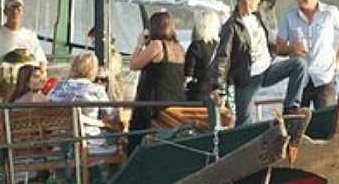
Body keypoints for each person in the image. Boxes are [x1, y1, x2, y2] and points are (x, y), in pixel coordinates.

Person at [208, 0, 308, 126]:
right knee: (244, 122)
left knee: (299, 64)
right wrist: (217, 87)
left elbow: (271, 0)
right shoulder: (231, 26)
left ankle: (290, 109)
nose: (259, 2)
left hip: (267, 70)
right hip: (247, 77)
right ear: (248, 1)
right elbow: (222, 57)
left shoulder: (258, 15)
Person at [276, 0, 339, 110]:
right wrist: (292, 48)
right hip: (300, 80)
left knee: (326, 122)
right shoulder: (289, 17)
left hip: (325, 77)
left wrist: (338, 61)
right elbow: (279, 47)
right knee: (293, 120)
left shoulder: (330, 13)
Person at [127, 10, 186, 153]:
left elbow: (133, 65)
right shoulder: (179, 48)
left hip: (153, 104)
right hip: (175, 102)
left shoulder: (157, 46)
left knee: (136, 135)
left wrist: (140, 45)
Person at [49, 51, 118, 154]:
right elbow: (110, 115)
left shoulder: (58, 87)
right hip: (89, 141)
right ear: (93, 70)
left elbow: (48, 107)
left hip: (60, 141)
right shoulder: (95, 89)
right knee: (120, 139)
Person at [0, 0, 47, 79]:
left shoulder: (30, 35)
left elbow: (42, 62)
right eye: (11, 8)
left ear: (23, 12)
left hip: (25, 86)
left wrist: (40, 74)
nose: (15, 11)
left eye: (19, 8)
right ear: (5, 12)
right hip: (1, 86)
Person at [184, 10, 221, 101]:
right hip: (217, 91)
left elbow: (188, 73)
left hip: (199, 92)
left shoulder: (196, 46)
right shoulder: (220, 46)